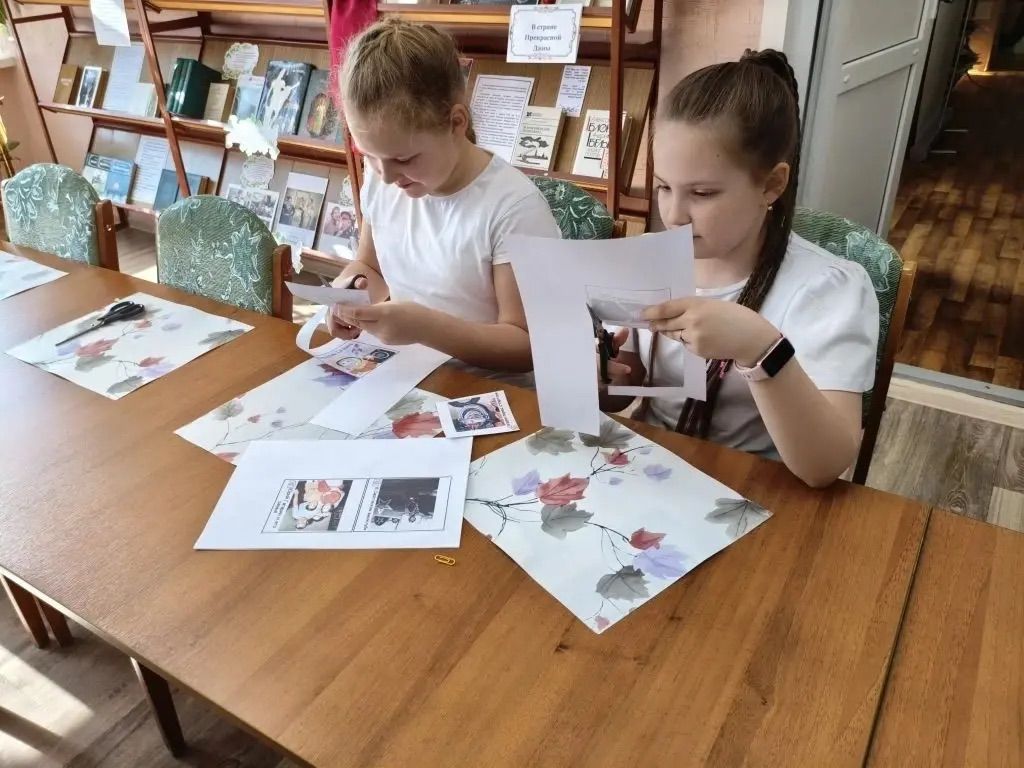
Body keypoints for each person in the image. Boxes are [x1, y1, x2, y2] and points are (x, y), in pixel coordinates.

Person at [601, 50, 879, 488]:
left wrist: (759, 348)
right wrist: (606, 375)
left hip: (761, 489)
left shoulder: (826, 288)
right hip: (647, 473)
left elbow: (825, 466)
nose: (673, 215)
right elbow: (631, 384)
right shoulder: (648, 259)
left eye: (703, 193)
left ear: (771, 184)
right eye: (663, 187)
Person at [327, 18, 560, 374]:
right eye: (368, 156)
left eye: (404, 159)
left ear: (456, 122)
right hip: (407, 375)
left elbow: (528, 346)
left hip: (494, 391)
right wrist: (347, 295)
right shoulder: (382, 178)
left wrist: (426, 327)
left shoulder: (514, 208)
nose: (386, 176)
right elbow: (369, 266)